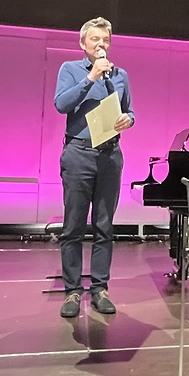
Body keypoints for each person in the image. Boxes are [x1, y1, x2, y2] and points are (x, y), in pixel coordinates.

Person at [54, 17, 134, 318]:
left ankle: (100, 289)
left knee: (104, 225)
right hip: (79, 153)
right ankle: (73, 291)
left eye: (106, 40)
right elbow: (61, 104)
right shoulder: (70, 69)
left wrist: (128, 120)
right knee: (73, 226)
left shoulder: (120, 75)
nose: (101, 44)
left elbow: (130, 110)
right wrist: (90, 78)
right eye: (95, 39)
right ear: (83, 43)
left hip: (110, 155)